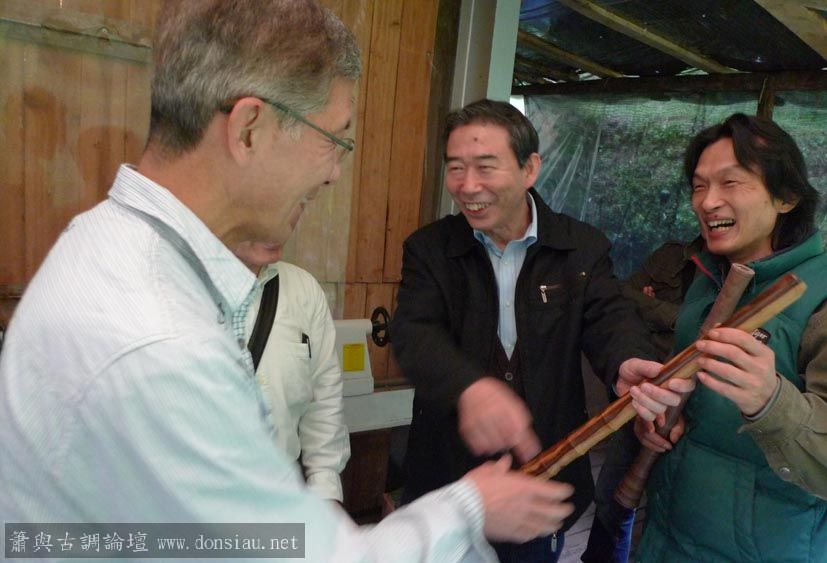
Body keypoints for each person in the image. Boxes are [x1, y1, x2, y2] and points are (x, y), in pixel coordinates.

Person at [0, 2, 580, 561]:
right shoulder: (162, 342)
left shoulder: (106, 242)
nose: (334, 173)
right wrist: (471, 507)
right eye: (335, 140)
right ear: (249, 129)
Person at [390, 99, 694, 562]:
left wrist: (627, 361)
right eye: (455, 168)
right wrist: (469, 389)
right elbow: (414, 334)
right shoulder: (430, 249)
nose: (467, 186)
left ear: (529, 168)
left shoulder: (580, 248)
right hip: (449, 481)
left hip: (544, 475)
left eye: (485, 167)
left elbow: (610, 316)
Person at [634, 113, 827, 562]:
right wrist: (660, 417)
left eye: (731, 182)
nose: (708, 202)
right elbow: (701, 410)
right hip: (668, 538)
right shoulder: (709, 278)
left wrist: (772, 402)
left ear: (787, 197)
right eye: (699, 186)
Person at [582, 236, 702, 563]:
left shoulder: (745, 271)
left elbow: (708, 334)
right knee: (613, 494)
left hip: (698, 411)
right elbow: (622, 295)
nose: (710, 209)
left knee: (671, 511)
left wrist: (651, 309)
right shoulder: (671, 255)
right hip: (646, 395)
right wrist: (677, 318)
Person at [234, 241, 349, 505]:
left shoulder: (303, 290)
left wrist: (326, 491)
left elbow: (323, 401)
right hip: (190, 507)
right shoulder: (176, 288)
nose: (284, 226)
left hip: (280, 499)